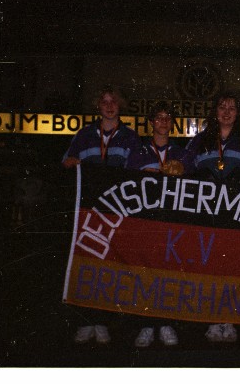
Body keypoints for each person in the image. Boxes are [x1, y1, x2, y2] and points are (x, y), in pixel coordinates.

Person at [61, 85, 141, 345]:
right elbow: (66, 161)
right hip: (89, 211)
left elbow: (135, 174)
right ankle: (86, 321)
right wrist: (72, 163)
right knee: (87, 260)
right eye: (104, 101)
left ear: (120, 105)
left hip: (116, 212)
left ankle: (104, 321)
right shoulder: (84, 135)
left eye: (113, 101)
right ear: (97, 105)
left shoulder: (130, 137)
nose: (109, 106)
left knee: (111, 265)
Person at [185, 90, 240, 343]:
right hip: (206, 214)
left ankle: (229, 318)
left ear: (238, 113)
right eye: (222, 107)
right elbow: (186, 174)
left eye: (232, 107)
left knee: (233, 266)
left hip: (237, 215)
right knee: (208, 265)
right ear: (214, 111)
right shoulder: (199, 141)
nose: (226, 112)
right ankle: (210, 318)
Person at [124, 101, 188, 348]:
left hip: (172, 221)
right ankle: (146, 325)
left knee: (168, 272)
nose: (163, 122)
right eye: (159, 118)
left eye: (167, 118)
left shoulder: (181, 153)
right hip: (146, 220)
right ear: (151, 122)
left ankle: (166, 323)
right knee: (145, 271)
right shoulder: (138, 152)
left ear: (173, 124)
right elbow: (124, 182)